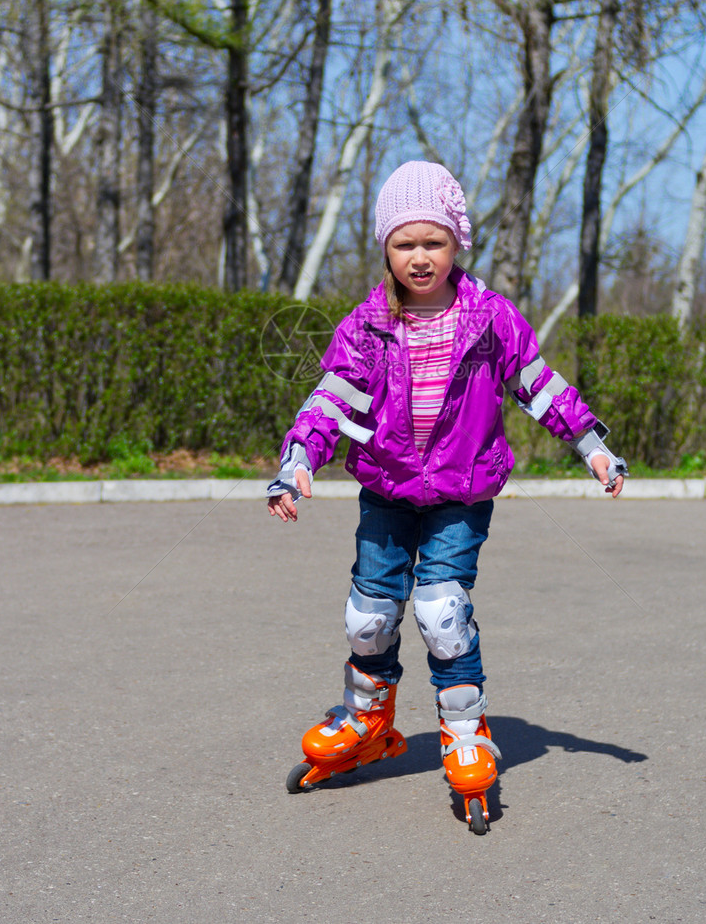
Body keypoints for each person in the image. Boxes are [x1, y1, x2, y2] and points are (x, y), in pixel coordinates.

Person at [267, 160, 627, 833]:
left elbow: (540, 385)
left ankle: (465, 730)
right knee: (368, 617)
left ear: (457, 242)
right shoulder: (367, 326)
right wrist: (296, 460)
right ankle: (367, 720)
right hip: (387, 490)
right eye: (405, 244)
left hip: (461, 491)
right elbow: (329, 401)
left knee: (441, 610)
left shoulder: (490, 318)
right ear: (385, 249)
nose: (420, 257)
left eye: (433, 242)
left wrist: (591, 444)